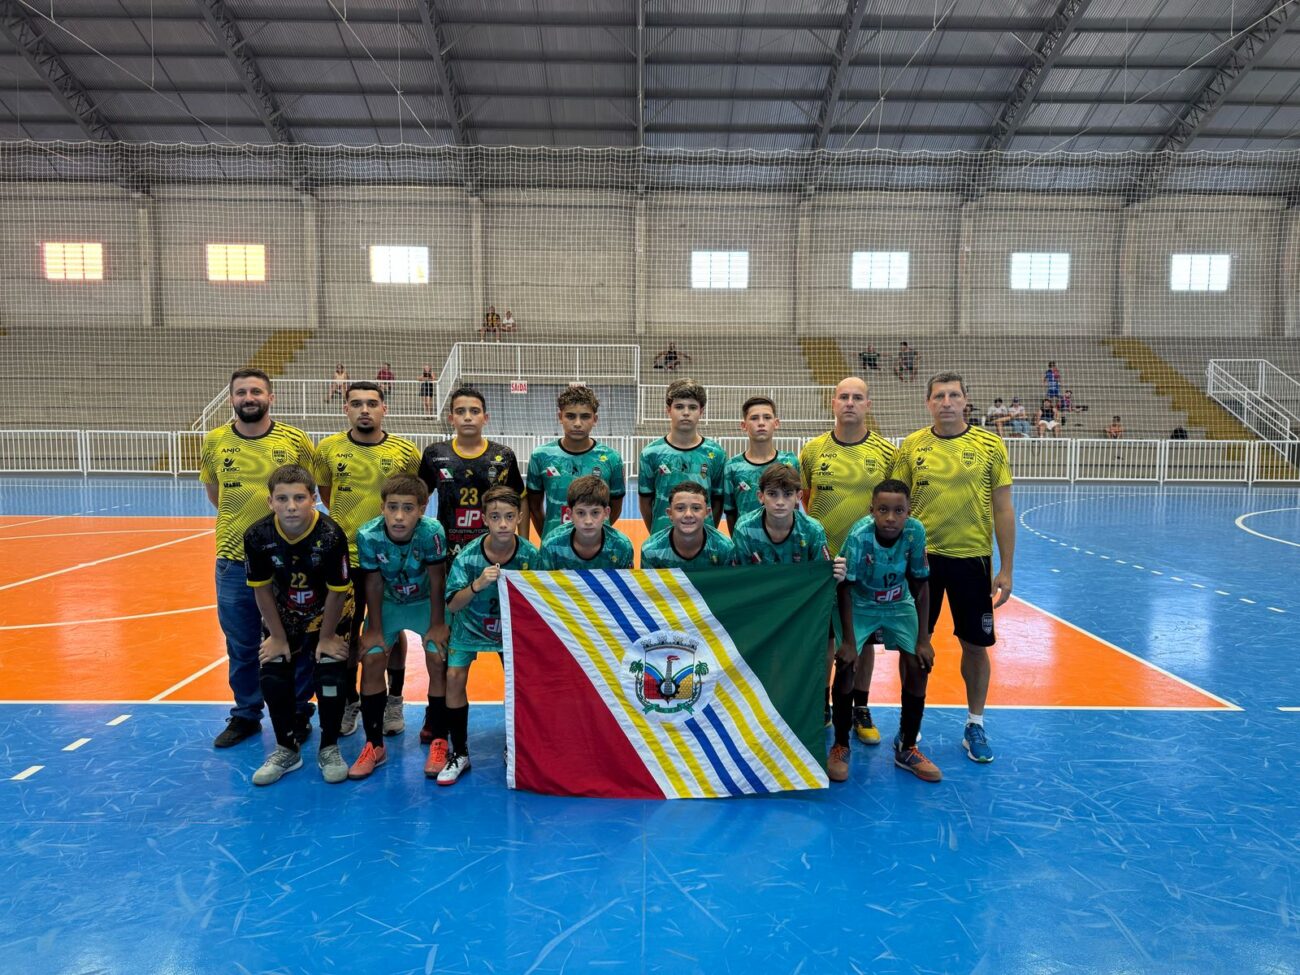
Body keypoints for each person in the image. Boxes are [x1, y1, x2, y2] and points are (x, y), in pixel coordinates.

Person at [892, 372, 1015, 764]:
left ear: (966, 401)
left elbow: (1003, 508)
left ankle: (975, 723)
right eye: (939, 396)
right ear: (928, 403)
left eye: (954, 395)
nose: (946, 401)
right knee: (913, 643)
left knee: (975, 646)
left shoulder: (990, 445)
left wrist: (1007, 568)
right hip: (921, 561)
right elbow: (895, 508)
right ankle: (910, 722)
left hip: (972, 560)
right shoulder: (912, 446)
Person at [201, 368, 318, 749]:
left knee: (298, 641)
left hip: (291, 563)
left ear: (271, 397)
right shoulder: (215, 440)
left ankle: (299, 710)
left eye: (256, 391)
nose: (248, 398)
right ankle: (246, 714)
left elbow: (309, 491)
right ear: (231, 398)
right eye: (240, 392)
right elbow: (216, 496)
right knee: (242, 641)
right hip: (235, 559)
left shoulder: (295, 440)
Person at [418, 386, 526, 746]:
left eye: (474, 410)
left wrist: (518, 551)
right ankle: (437, 720)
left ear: (485, 417)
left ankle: (522, 724)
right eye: (460, 411)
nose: (467, 417)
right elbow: (420, 502)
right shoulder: (435, 455)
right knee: (445, 648)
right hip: (452, 563)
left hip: (497, 559)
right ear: (451, 417)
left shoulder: (502, 456)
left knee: (507, 647)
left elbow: (517, 505)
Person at [315, 381, 422, 740]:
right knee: (347, 632)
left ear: (384, 409)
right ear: (346, 408)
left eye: (372, 403)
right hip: (344, 557)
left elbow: (410, 499)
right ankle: (350, 702)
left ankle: (394, 699)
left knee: (392, 628)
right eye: (356, 403)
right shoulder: (329, 449)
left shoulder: (405, 451)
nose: (365, 410)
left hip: (390, 557)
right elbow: (326, 494)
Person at [799, 376, 896, 742]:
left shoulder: (887, 453)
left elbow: (893, 509)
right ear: (833, 402)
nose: (850, 403)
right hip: (824, 563)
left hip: (870, 564)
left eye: (858, 397)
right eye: (844, 397)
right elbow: (805, 502)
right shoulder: (812, 450)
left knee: (865, 639)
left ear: (868, 404)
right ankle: (823, 703)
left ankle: (861, 706)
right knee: (825, 639)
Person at [243, 465, 352, 786]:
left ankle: (329, 746)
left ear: (314, 499)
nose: (291, 506)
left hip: (329, 611)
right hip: (285, 612)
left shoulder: (330, 535)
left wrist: (328, 635)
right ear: (270, 502)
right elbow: (260, 588)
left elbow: (338, 590)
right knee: (272, 669)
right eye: (283, 498)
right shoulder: (258, 535)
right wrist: (276, 636)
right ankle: (286, 748)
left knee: (331, 669)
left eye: (299, 498)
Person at [832, 480, 939, 784]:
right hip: (860, 601)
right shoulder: (859, 535)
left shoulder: (915, 532)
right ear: (872, 510)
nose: (890, 517)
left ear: (908, 512)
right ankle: (840, 744)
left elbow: (921, 584)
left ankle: (907, 747)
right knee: (846, 664)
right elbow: (845, 588)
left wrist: (923, 640)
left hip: (898, 601)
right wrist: (851, 642)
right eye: (883, 510)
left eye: (898, 511)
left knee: (919, 664)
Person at [349, 475, 450, 781]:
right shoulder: (368, 535)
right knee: (373, 657)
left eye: (408, 508)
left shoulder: (431, 532)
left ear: (422, 508)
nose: (399, 516)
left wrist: (436, 624)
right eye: (392, 507)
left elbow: (437, 579)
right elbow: (373, 582)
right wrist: (376, 628)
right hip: (389, 604)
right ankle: (374, 744)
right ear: (382, 507)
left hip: (424, 604)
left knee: (437, 655)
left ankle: (439, 738)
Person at [441, 486, 539, 785]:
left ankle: (515, 746)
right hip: (469, 626)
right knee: (454, 677)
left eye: (509, 517)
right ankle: (458, 752)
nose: (503, 524)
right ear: (484, 518)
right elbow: (452, 603)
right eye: (495, 517)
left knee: (518, 681)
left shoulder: (531, 556)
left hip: (511, 631)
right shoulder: (469, 557)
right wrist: (477, 585)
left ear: (519, 517)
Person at [526, 386, 626, 543]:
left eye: (585, 416)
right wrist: (550, 538)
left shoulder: (611, 458)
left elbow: (615, 507)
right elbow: (534, 507)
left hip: (597, 546)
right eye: (570, 416)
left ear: (595, 419)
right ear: (560, 416)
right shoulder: (541, 456)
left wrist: (591, 533)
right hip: (555, 548)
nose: (578, 423)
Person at [638, 379, 726, 535]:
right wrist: (656, 532)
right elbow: (645, 501)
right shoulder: (651, 453)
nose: (686, 412)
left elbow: (717, 500)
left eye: (692, 407)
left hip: (704, 540)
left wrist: (709, 530)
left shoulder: (716, 453)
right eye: (679, 407)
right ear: (668, 410)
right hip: (663, 538)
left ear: (701, 411)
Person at [731, 465, 843, 578]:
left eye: (788, 494)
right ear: (761, 497)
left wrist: (837, 577)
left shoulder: (813, 530)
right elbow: (740, 580)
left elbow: (821, 577)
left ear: (798, 496)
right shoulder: (744, 529)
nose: (780, 502)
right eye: (772, 494)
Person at [723, 396, 799, 532]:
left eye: (767, 417)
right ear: (743, 425)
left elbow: (795, 507)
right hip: (747, 544)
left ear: (776, 423)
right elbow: (730, 512)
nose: (761, 423)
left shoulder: (790, 462)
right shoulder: (732, 467)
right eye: (754, 418)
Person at [536, 475, 635, 570]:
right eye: (581, 513)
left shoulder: (622, 547)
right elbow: (542, 586)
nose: (588, 521)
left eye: (595, 512)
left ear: (606, 513)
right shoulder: (551, 546)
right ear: (569, 514)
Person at [640, 482, 737, 568]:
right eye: (680, 508)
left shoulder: (725, 548)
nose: (688, 515)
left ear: (707, 513)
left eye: (696, 508)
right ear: (670, 514)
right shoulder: (650, 550)